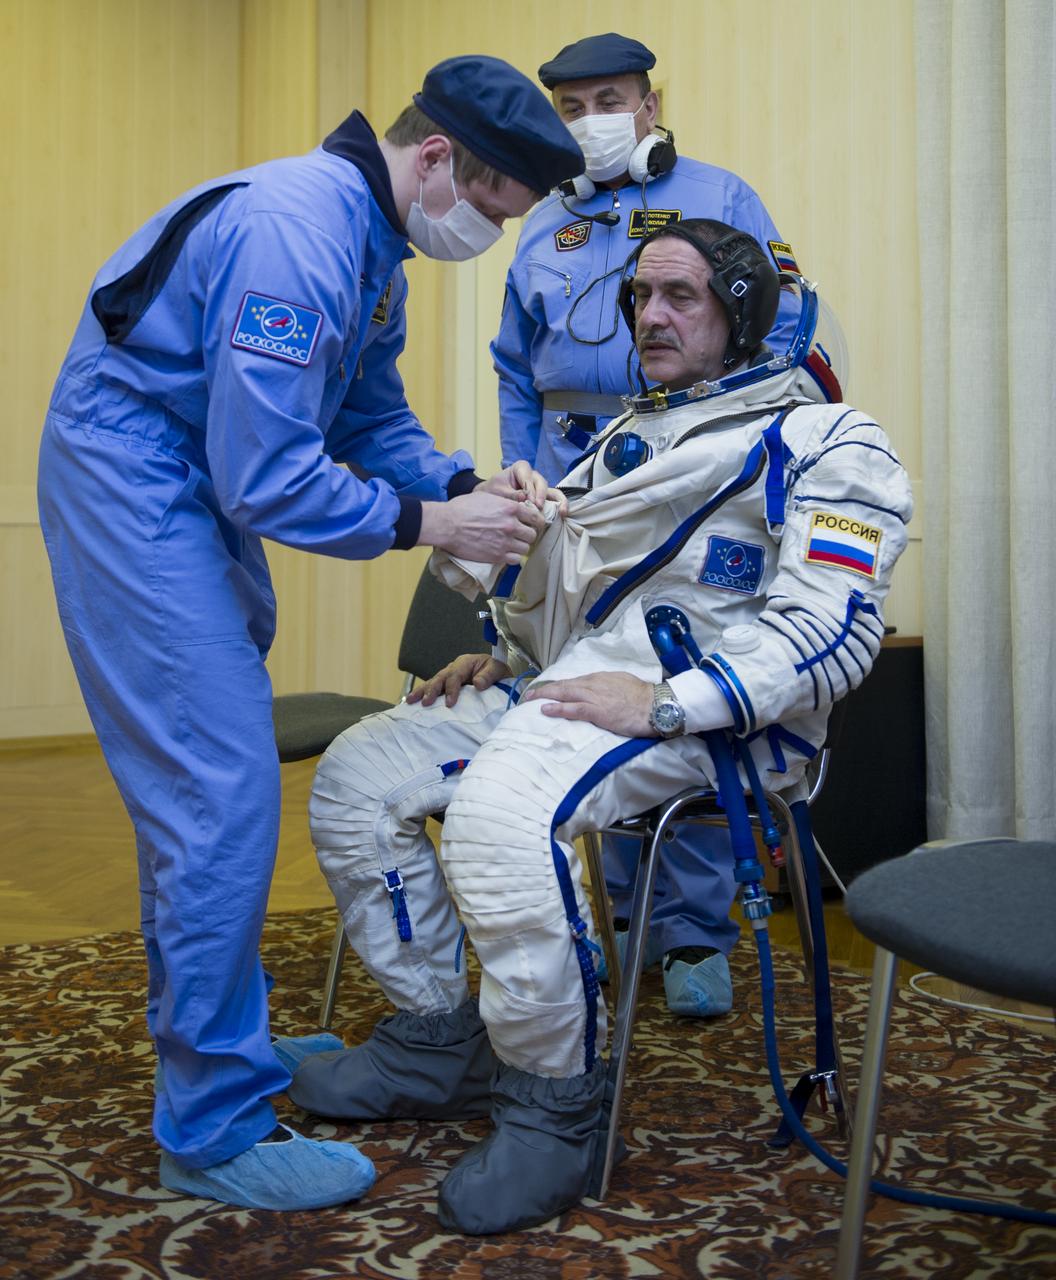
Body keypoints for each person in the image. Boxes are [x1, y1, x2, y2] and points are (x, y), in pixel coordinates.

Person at [276, 220, 913, 1233]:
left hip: (717, 722)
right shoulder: (632, 438)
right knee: (360, 774)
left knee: (497, 816)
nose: (649, 316)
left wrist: (668, 699)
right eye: (639, 299)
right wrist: (513, 654)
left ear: (744, 314)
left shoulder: (828, 442)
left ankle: (552, 1100)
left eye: (680, 297)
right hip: (580, 689)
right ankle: (436, 1038)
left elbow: (832, 635)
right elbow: (577, 595)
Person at [36, 55, 585, 1213]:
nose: (487, 235)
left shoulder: (373, 246)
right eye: (489, 209)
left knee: (203, 794)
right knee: (221, 792)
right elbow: (268, 475)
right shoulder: (299, 231)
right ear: (437, 157)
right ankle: (212, 1125)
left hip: (182, 476)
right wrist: (436, 521)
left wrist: (467, 482)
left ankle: (216, 1041)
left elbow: (368, 414)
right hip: (135, 473)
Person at [491, 32, 803, 1019]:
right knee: (588, 694)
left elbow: (783, 323)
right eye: (573, 106)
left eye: (610, 98)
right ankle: (622, 914)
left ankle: (697, 931)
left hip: (693, 488)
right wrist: (528, 485)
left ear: (652, 102)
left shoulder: (724, 199)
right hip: (581, 497)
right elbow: (513, 361)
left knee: (683, 688)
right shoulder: (543, 226)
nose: (593, 120)